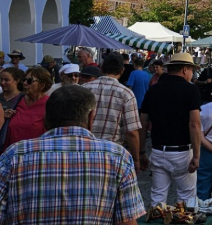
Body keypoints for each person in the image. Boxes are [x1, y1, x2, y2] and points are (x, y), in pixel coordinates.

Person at [0, 85, 147, 225]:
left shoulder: (14, 155)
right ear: (91, 118)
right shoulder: (118, 157)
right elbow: (126, 221)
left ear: (46, 118)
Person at [139, 52, 203, 205]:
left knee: (158, 197)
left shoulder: (153, 90)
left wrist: (141, 152)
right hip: (182, 151)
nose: (191, 73)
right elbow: (194, 124)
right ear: (185, 70)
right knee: (186, 198)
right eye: (191, 70)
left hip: (158, 150)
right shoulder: (191, 90)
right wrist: (197, 155)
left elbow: (142, 123)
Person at [84, 53, 143, 169]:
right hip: (112, 154)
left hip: (85, 151)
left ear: (101, 68)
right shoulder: (126, 94)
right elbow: (131, 132)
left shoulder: (83, 89)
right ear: (122, 71)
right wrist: (136, 159)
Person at [3, 67, 52, 151]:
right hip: (11, 155)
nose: (25, 83)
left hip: (34, 156)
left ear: (42, 85)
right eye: (24, 80)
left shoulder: (50, 105)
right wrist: (4, 117)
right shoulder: (18, 100)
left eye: (29, 81)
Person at [0, 68, 24, 147]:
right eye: (1, 79)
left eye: (6, 80)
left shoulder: (23, 98)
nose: (2, 83)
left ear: (16, 81)